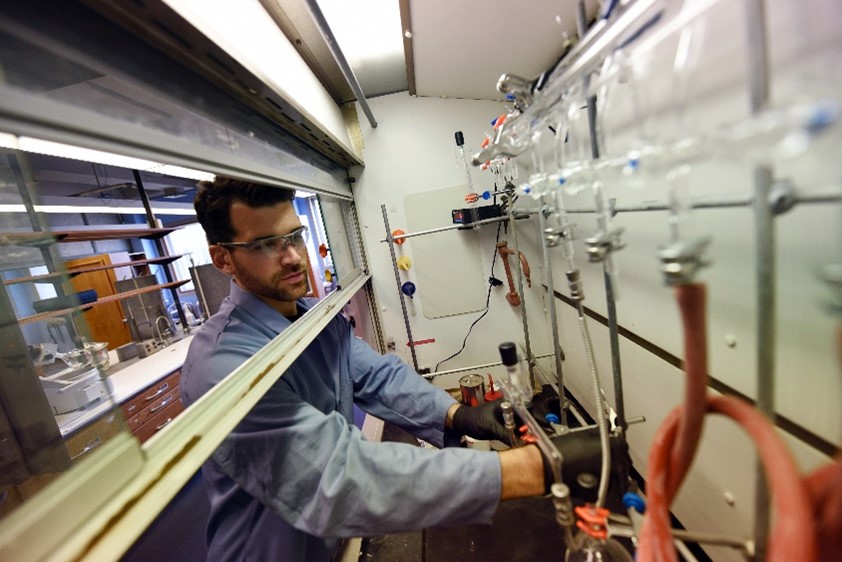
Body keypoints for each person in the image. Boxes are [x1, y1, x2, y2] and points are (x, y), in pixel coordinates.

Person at [180, 177, 547, 562]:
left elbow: (377, 376)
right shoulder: (222, 365)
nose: (292, 257)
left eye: (294, 236)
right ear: (223, 259)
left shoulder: (311, 321)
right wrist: (526, 470)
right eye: (265, 245)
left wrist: (458, 415)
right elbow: (334, 478)